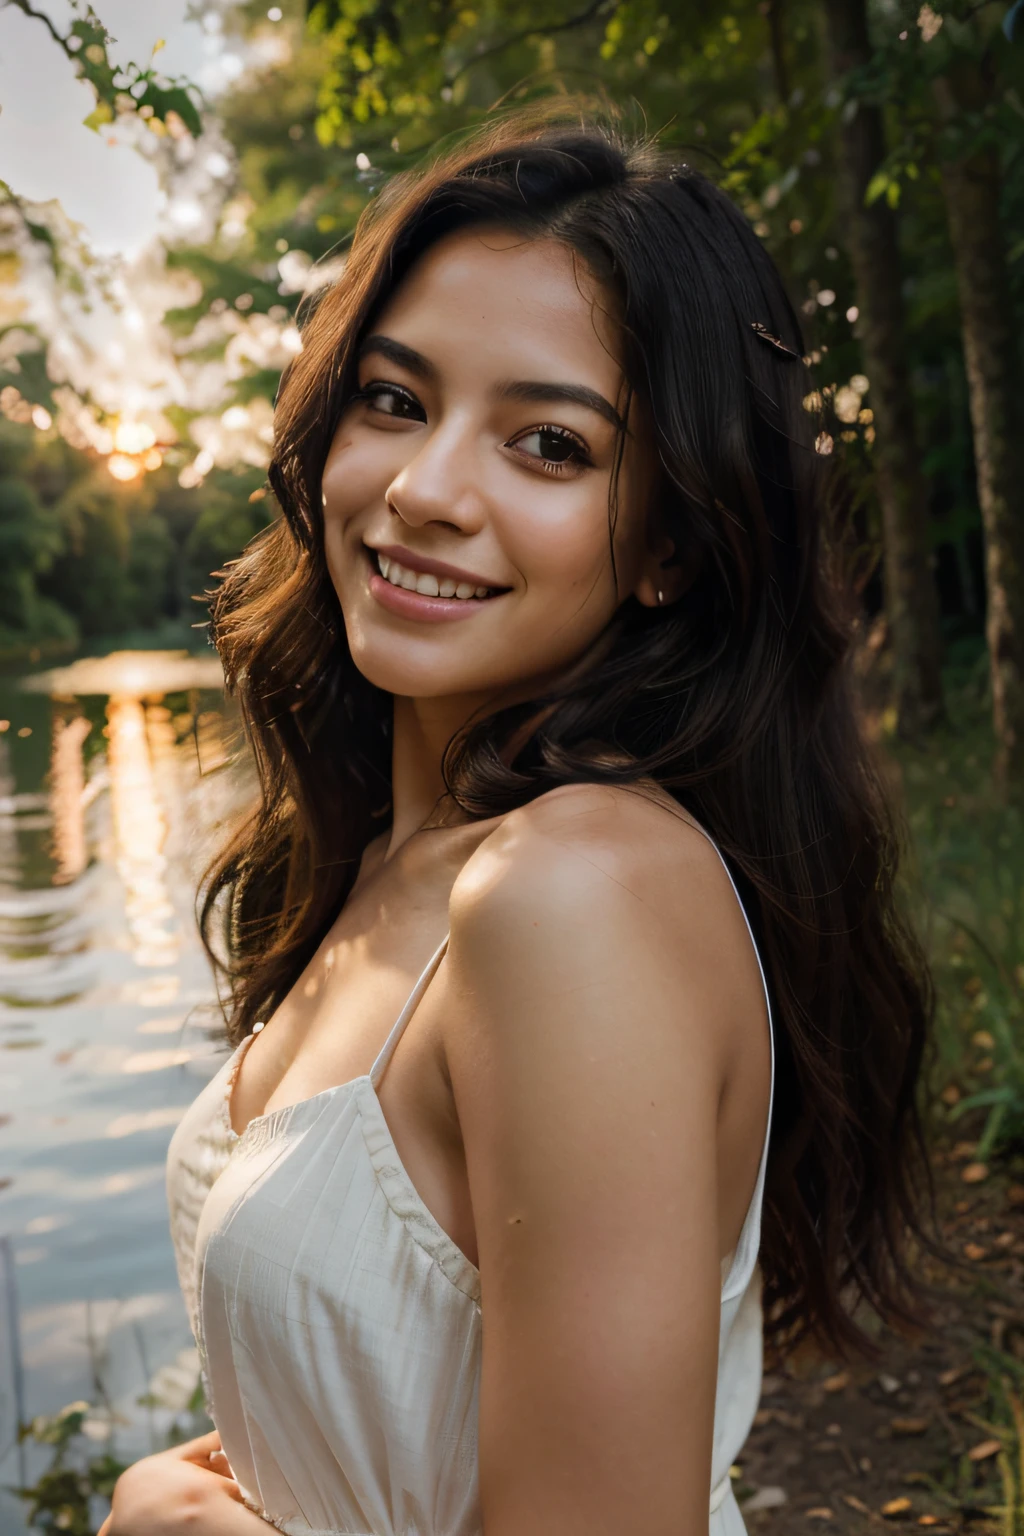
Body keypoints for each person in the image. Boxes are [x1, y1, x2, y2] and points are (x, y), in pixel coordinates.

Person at [102, 107, 932, 1536]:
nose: (426, 492)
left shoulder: (574, 891)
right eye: (395, 400)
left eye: (548, 443)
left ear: (672, 541)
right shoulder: (395, 860)